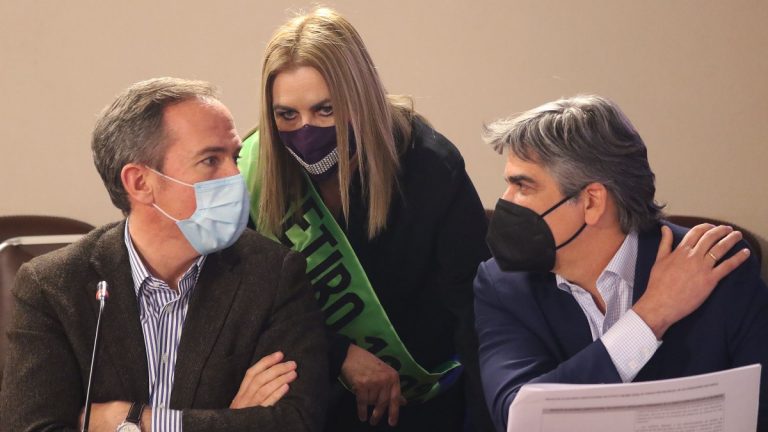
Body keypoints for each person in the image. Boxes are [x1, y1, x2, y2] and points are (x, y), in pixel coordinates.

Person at [0, 77, 328, 431]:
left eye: (234, 157)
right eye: (210, 160)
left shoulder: (273, 273)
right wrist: (230, 420)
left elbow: (296, 422)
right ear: (140, 183)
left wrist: (132, 421)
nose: (236, 176)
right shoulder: (52, 286)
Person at [237, 7, 493, 431]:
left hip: (423, 405)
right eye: (287, 115)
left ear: (360, 98)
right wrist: (339, 353)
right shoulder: (255, 170)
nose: (306, 130)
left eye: (326, 110)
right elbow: (249, 306)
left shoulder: (430, 166)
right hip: (311, 399)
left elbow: (474, 311)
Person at [475, 94, 768, 431]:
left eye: (522, 186)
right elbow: (517, 417)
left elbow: (759, 408)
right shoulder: (503, 285)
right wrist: (651, 316)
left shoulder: (713, 263)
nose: (505, 201)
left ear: (592, 202)